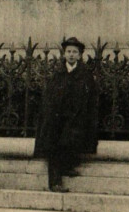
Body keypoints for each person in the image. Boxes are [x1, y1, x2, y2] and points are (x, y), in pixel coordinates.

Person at [34, 37, 98, 192]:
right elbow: (49, 98)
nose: (71, 55)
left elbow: (91, 99)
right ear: (64, 54)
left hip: (75, 118)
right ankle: (55, 182)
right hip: (57, 119)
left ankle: (67, 166)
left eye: (74, 52)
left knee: (71, 141)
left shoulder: (85, 76)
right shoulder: (57, 74)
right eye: (68, 51)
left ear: (80, 55)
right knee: (55, 146)